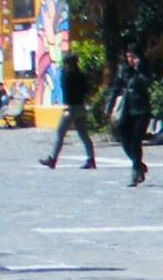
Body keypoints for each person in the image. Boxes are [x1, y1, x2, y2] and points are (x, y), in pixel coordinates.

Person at [40, 46, 99, 169]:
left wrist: (66, 107)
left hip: (70, 108)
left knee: (60, 133)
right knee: (84, 135)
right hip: (81, 107)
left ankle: (53, 159)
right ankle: (91, 159)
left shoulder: (66, 75)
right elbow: (87, 89)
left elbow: (66, 92)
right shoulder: (81, 75)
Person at [108, 42, 153, 187]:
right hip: (127, 109)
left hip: (141, 109)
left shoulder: (144, 68)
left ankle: (135, 172)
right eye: (128, 56)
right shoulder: (123, 70)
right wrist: (109, 106)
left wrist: (138, 69)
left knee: (136, 141)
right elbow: (116, 87)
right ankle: (139, 163)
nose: (130, 59)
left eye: (133, 56)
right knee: (123, 137)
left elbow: (146, 83)